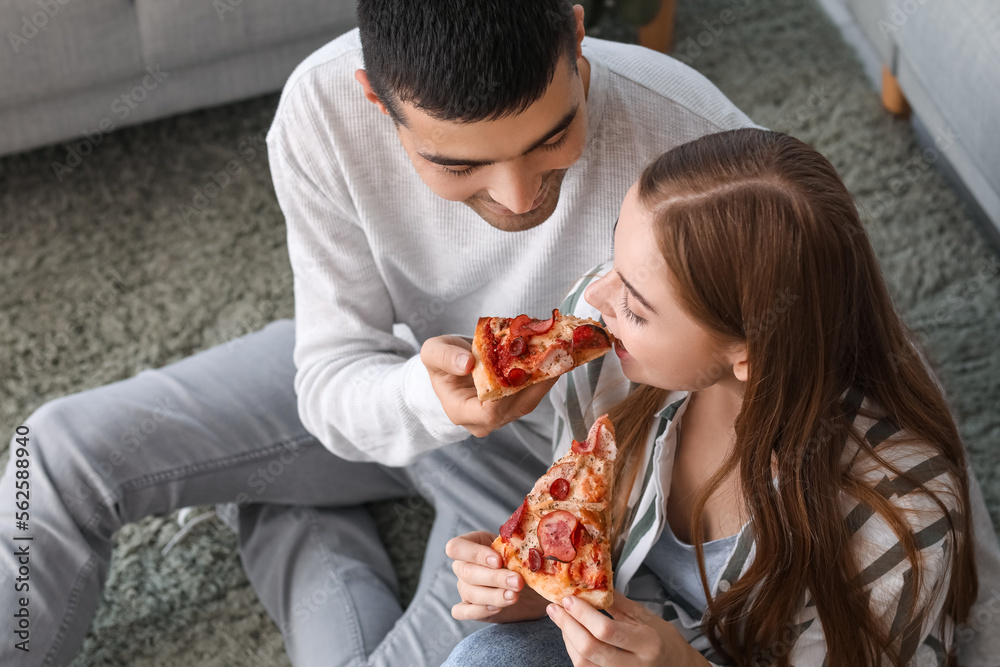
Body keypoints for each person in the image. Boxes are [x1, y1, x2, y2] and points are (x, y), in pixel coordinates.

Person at [0, 2, 763, 666]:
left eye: (552, 138)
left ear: (575, 39)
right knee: (54, 448)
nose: (520, 194)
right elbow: (331, 373)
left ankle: (281, 502)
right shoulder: (323, 108)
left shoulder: (704, 151)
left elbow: (803, 347)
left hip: (547, 468)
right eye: (458, 164)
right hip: (395, 363)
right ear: (375, 99)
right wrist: (424, 400)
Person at [443, 128, 992, 666]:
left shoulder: (897, 516)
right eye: (616, 254)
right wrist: (534, 581)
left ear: (750, 353)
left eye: (636, 307)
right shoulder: (609, 351)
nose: (593, 296)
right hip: (637, 620)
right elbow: (591, 554)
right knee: (485, 656)